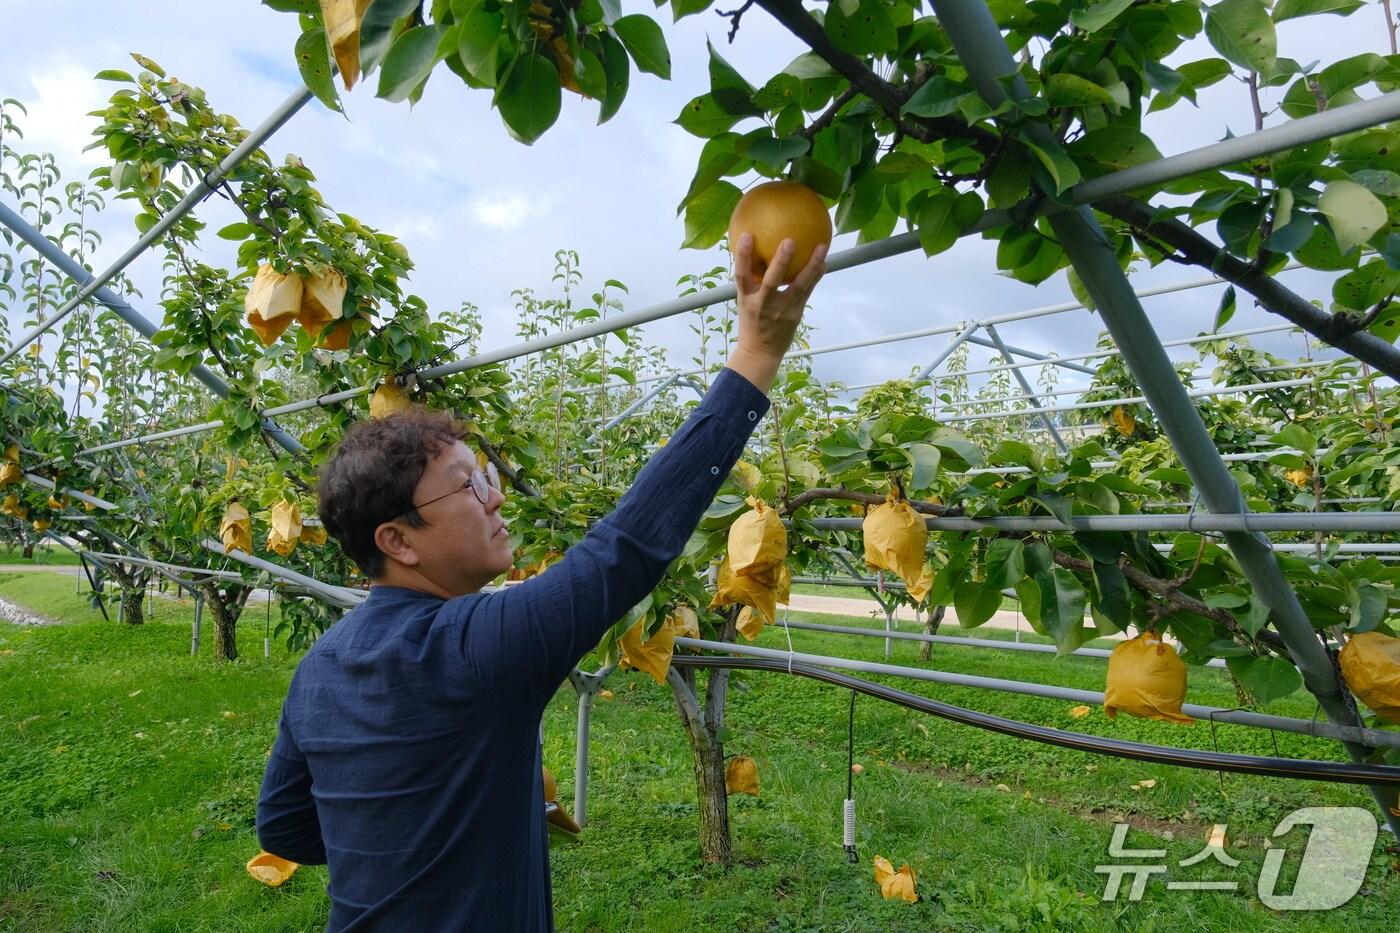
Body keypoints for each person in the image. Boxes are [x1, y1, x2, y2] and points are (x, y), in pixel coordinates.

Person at [256, 234, 828, 931]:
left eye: (487, 477)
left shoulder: (318, 668)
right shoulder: (476, 647)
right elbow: (624, 550)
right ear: (397, 540)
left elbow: (285, 827)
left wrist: (389, 835)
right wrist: (757, 354)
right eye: (468, 487)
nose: (495, 498)